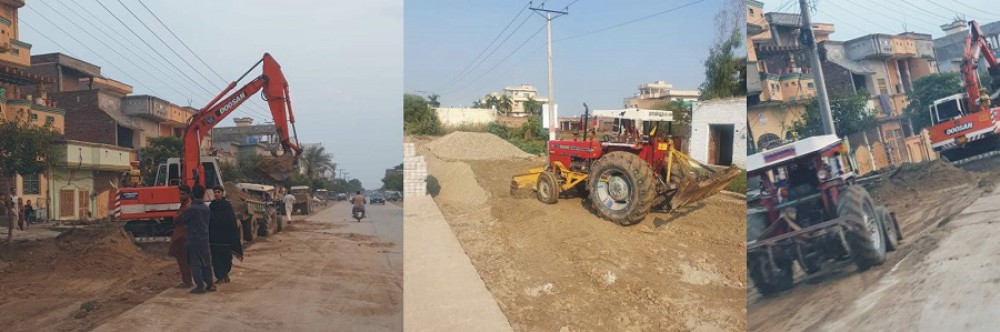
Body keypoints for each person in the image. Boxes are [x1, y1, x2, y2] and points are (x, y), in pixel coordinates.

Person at [183, 185, 215, 294]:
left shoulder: (191, 209)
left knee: (195, 263)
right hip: (204, 238)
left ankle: (200, 285)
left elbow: (183, 220)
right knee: (206, 261)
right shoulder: (206, 208)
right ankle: (210, 284)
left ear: (192, 194)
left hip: (193, 238)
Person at [209, 186, 243, 284]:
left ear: (222, 193)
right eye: (215, 192)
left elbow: (231, 221)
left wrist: (232, 235)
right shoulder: (212, 206)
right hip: (214, 237)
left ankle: (225, 274)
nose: (216, 194)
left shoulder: (226, 206)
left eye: (218, 192)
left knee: (226, 258)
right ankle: (219, 276)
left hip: (225, 237)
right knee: (216, 259)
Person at [168, 185, 194, 289]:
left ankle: (187, 282)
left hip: (183, 236)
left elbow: (177, 218)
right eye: (180, 193)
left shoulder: (187, 206)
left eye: (183, 194)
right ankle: (187, 280)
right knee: (183, 259)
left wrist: (176, 217)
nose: (180, 196)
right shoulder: (184, 205)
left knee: (183, 259)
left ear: (188, 194)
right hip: (181, 235)